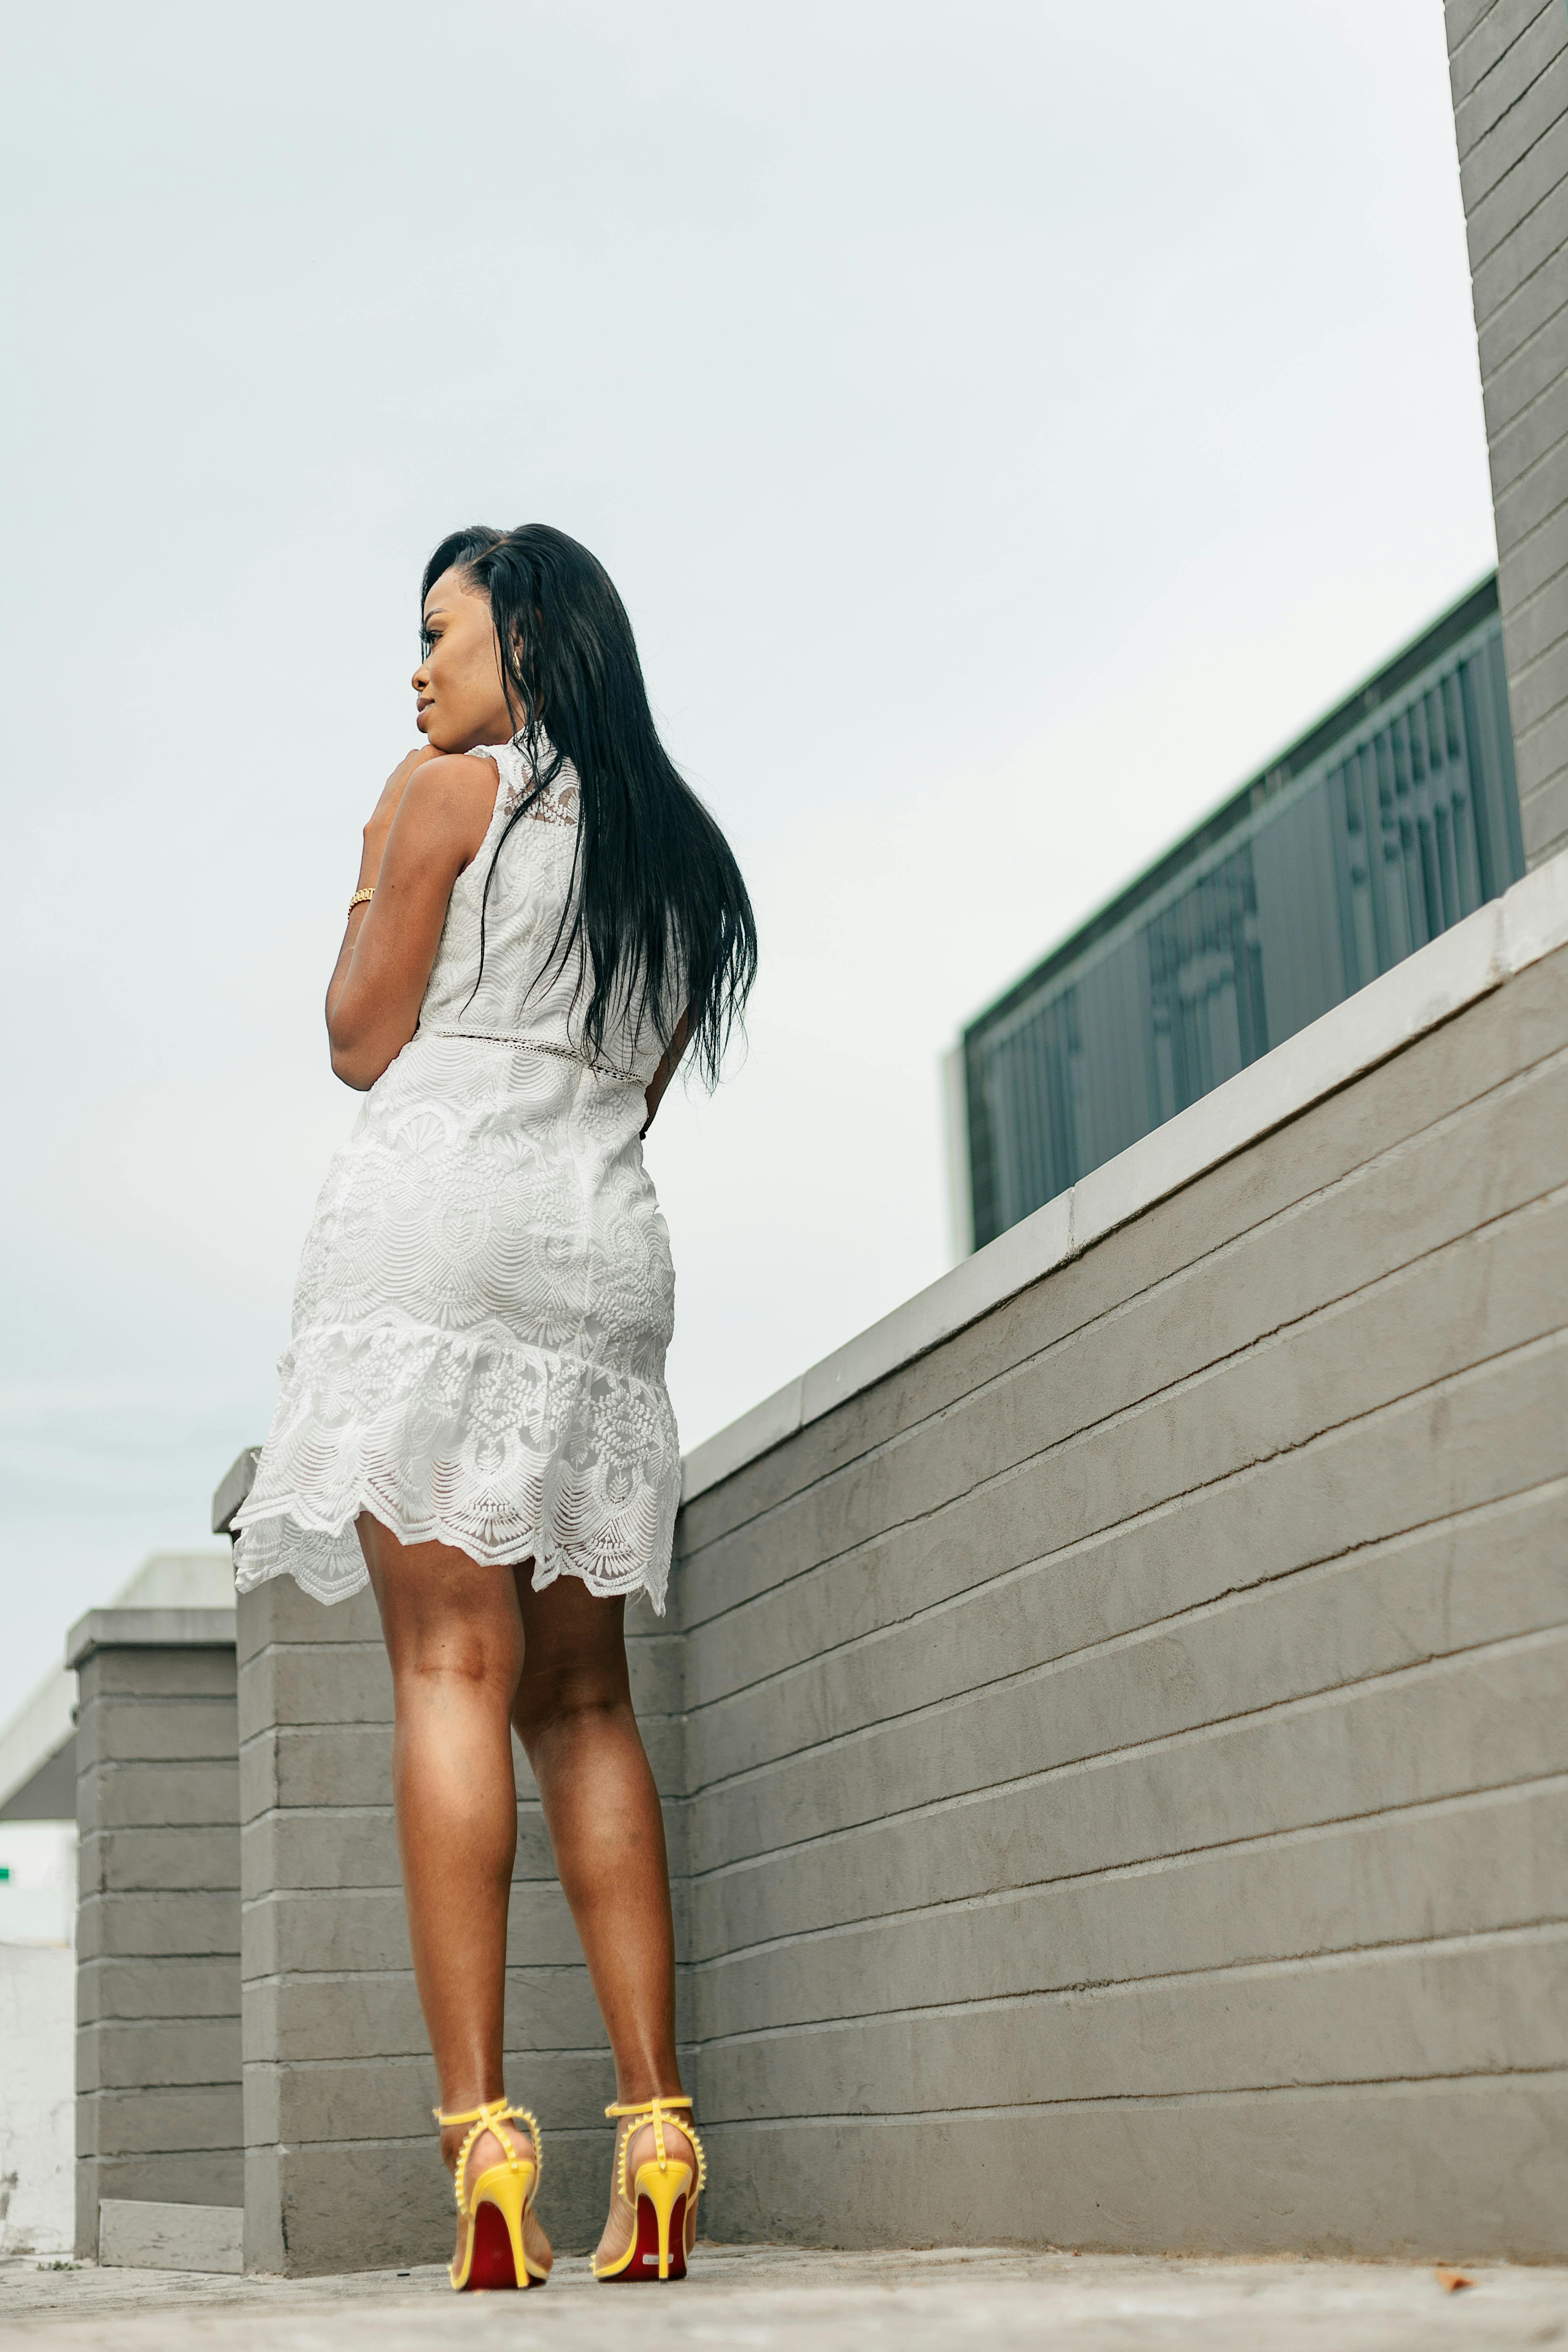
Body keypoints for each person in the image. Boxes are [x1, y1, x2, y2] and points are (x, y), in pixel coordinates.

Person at [231, 525, 756, 2289]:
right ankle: (658, 2130)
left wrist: (373, 869)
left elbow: (360, 1032)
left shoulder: (449, 795)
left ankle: (483, 2145)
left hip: (438, 1228)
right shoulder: (683, 863)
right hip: (597, 1255)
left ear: (523, 640)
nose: (417, 671)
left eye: (437, 632)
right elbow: (640, 1085)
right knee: (587, 1692)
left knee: (449, 1669)